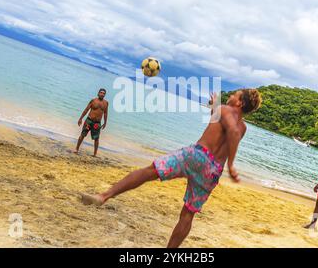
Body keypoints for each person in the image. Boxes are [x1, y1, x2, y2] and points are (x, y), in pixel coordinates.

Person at [80, 89, 262, 247]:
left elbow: (232, 130)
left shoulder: (225, 110)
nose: (230, 95)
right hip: (212, 171)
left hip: (197, 155)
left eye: (234, 94)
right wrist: (215, 109)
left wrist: (231, 164)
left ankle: (103, 196)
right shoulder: (242, 126)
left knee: (150, 171)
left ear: (240, 102)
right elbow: (228, 129)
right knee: (188, 213)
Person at [74, 88, 108, 156]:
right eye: (101, 92)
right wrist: (80, 118)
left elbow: (105, 113)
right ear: (98, 93)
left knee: (96, 138)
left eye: (104, 93)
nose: (102, 94)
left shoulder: (106, 103)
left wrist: (105, 123)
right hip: (89, 121)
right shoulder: (93, 100)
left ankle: (95, 154)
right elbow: (86, 109)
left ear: (105, 95)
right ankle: (76, 149)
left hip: (97, 123)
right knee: (82, 135)